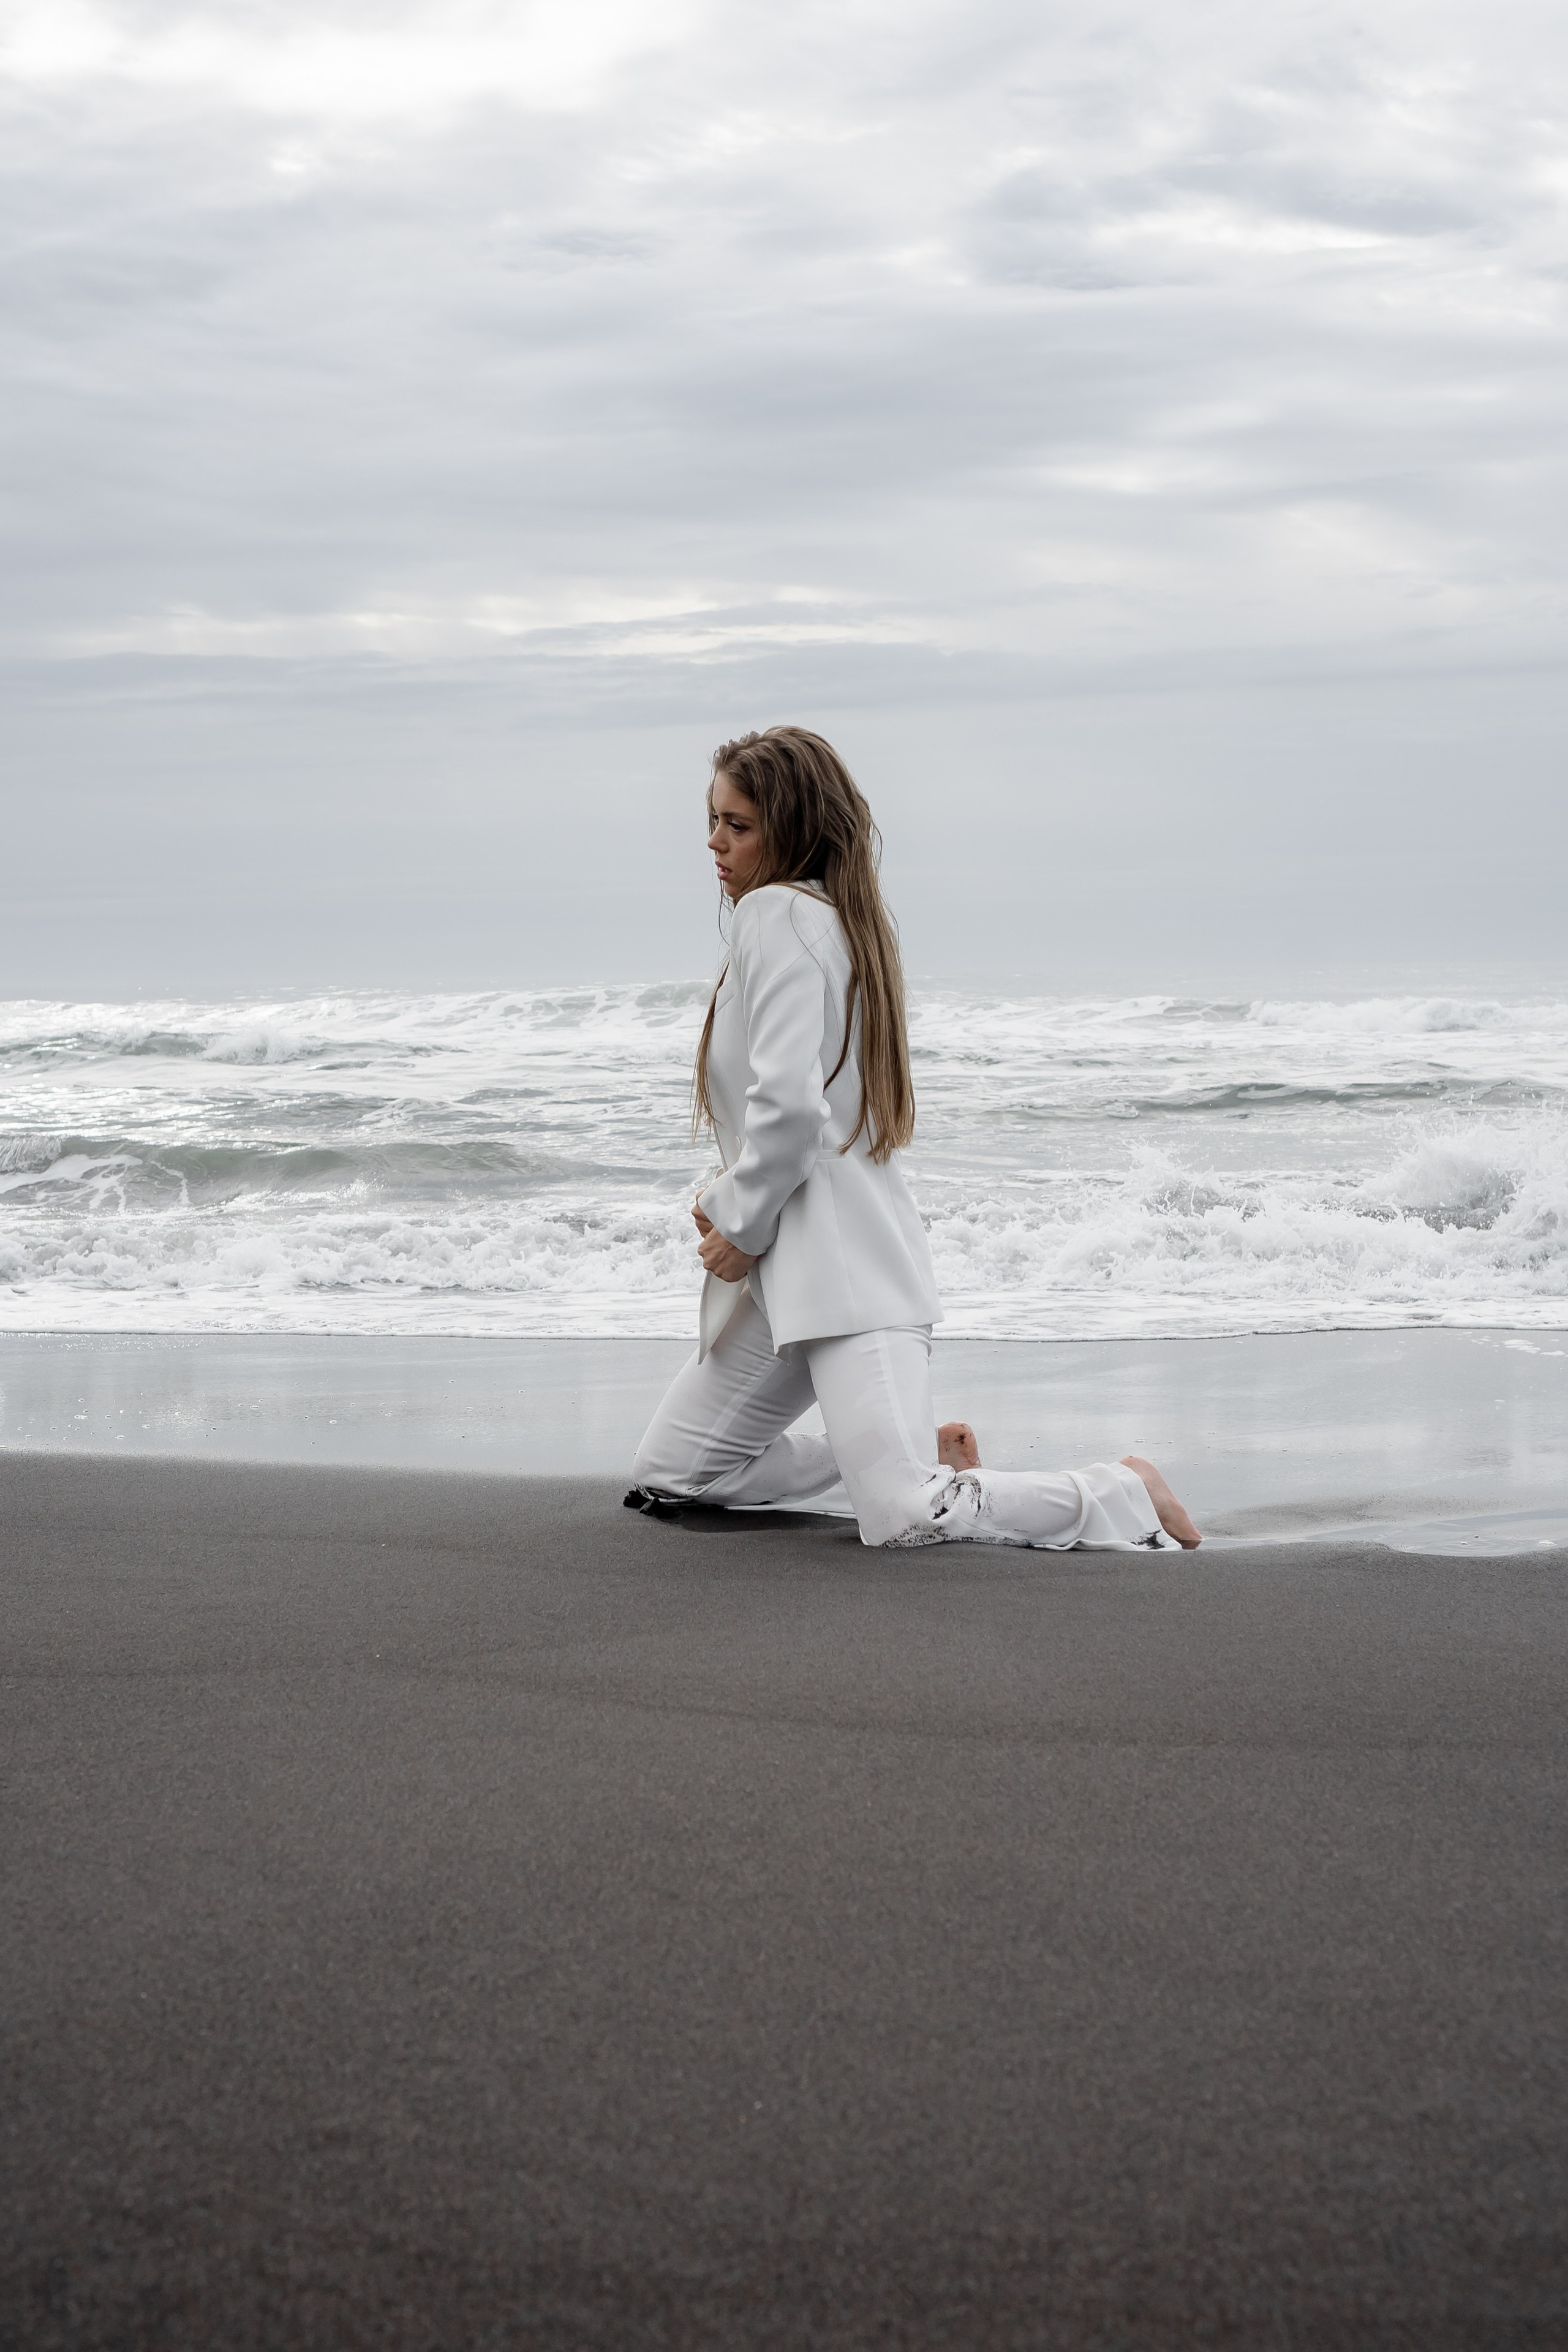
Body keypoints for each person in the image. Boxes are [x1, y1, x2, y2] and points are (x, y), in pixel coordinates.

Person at [629, 726, 1201, 1553]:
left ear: (791, 830)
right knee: (674, 1475)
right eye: (713, 820)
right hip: (789, 1274)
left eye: (738, 825)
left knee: (902, 1518)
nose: (715, 843)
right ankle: (917, 1457)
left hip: (841, 1265)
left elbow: (792, 1113)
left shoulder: (777, 913)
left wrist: (741, 1224)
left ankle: (1120, 1489)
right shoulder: (831, 922)